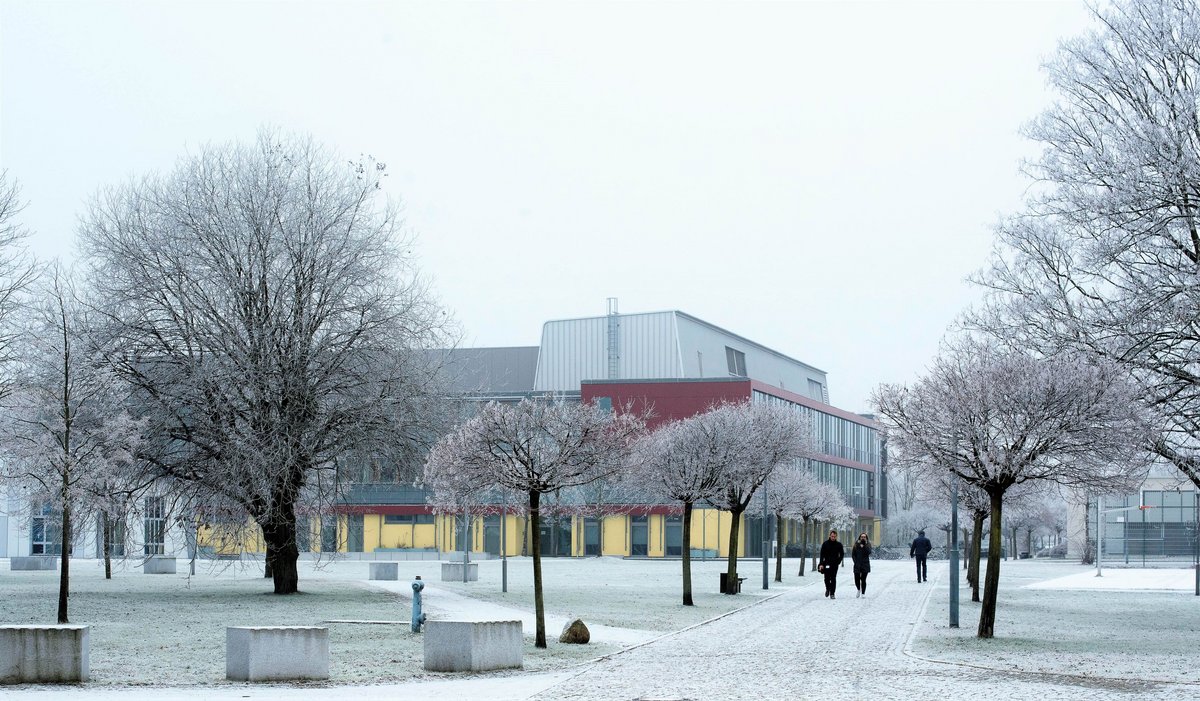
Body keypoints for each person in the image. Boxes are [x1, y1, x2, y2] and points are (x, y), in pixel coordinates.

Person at [818, 529, 844, 599]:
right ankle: (828, 588)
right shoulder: (825, 544)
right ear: (830, 536)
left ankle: (832, 593)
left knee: (833, 578)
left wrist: (839, 561)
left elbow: (842, 554)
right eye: (832, 536)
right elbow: (822, 554)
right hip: (826, 563)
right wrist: (821, 564)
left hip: (835, 564)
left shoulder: (839, 545)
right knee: (826, 578)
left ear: (836, 537)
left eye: (834, 537)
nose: (833, 538)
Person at [851, 532, 872, 598]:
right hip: (857, 564)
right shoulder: (856, 544)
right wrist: (855, 562)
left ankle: (863, 593)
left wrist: (864, 546)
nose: (863, 538)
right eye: (862, 537)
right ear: (860, 537)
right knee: (856, 579)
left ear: (866, 538)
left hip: (865, 564)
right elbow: (853, 554)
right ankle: (858, 589)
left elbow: (869, 552)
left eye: (864, 537)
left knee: (863, 579)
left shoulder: (868, 544)